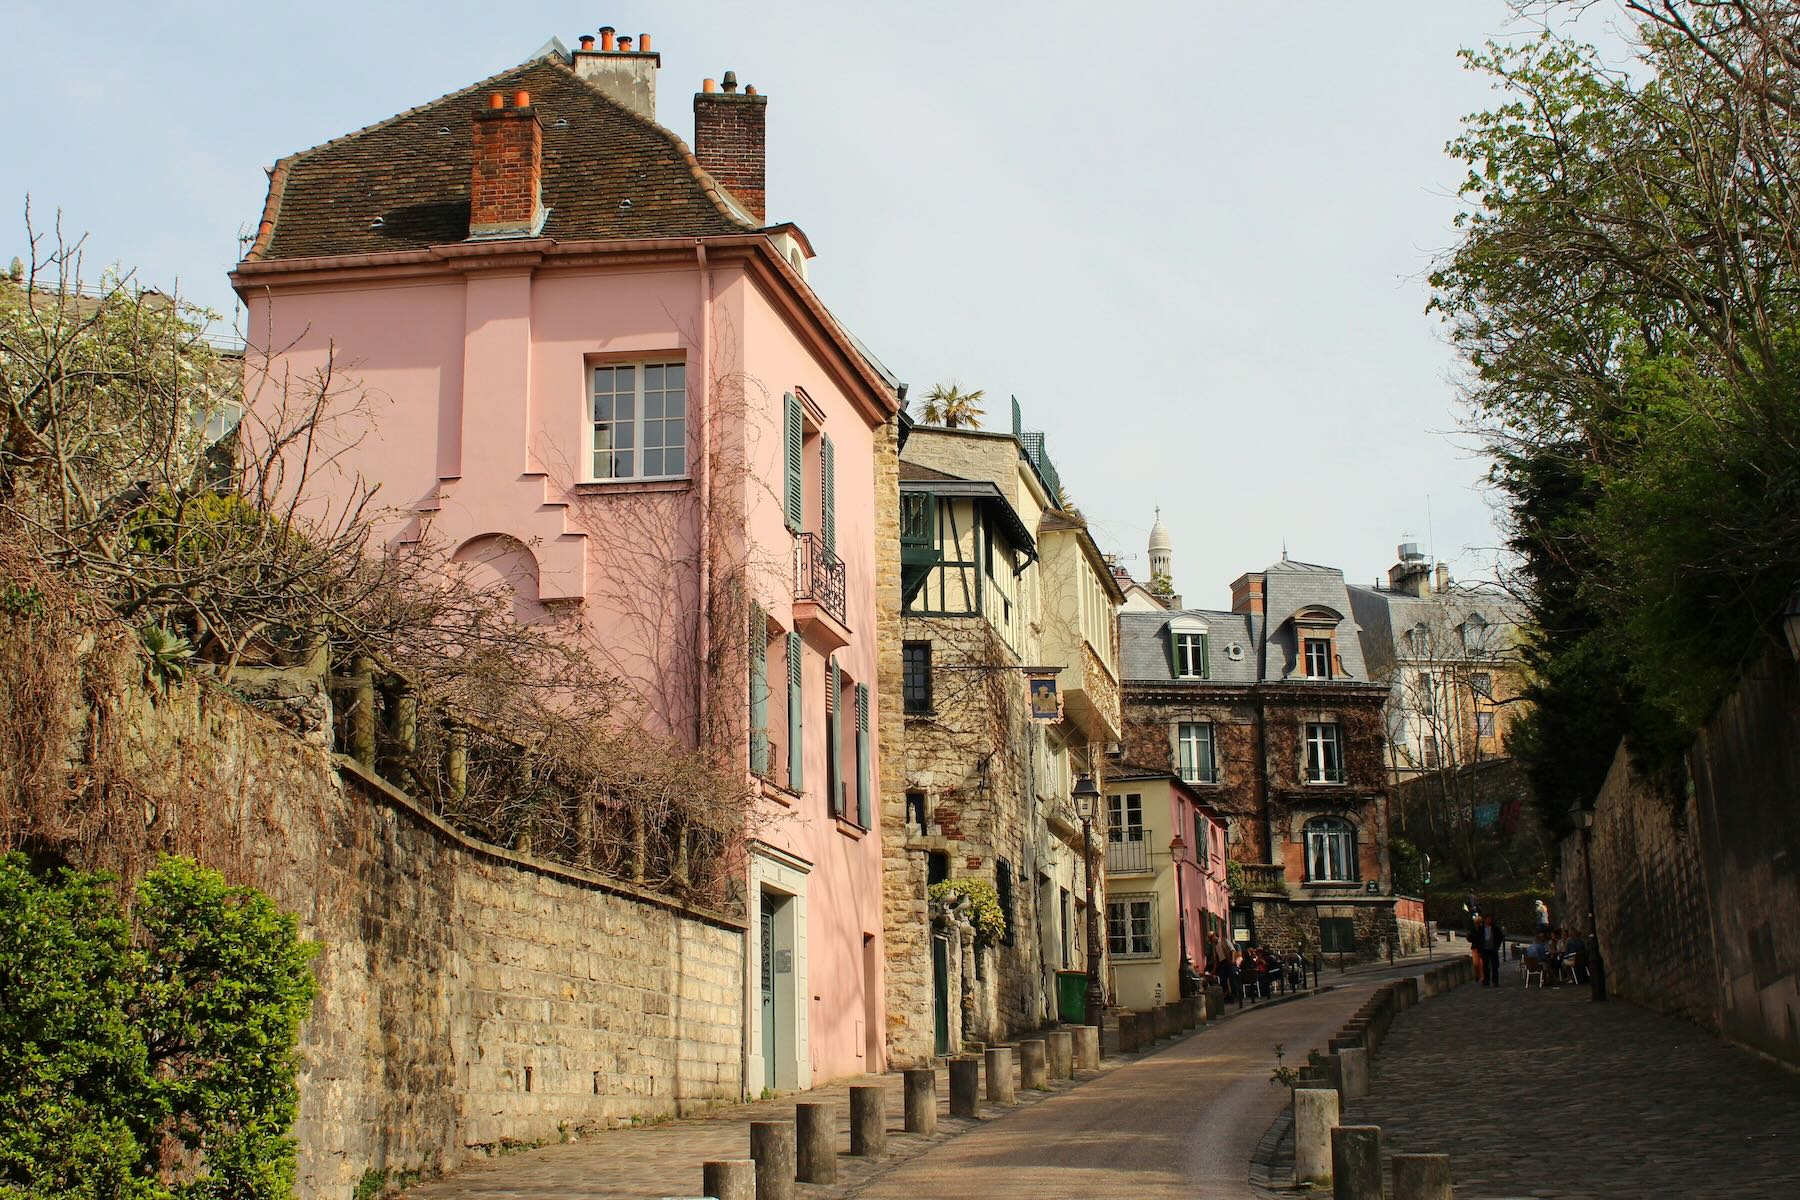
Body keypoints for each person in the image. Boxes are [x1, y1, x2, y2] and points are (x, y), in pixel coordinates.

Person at [1477, 913, 1505, 986]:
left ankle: (1495, 981)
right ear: (1485, 919)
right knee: (1485, 966)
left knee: (1494, 966)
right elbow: (1478, 939)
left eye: (1490, 919)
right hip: (1485, 949)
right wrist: (1479, 950)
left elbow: (1500, 937)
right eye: (1487, 919)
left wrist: (1497, 946)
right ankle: (1486, 981)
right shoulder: (1481, 928)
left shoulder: (1495, 928)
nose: (1489, 920)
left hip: (1493, 949)